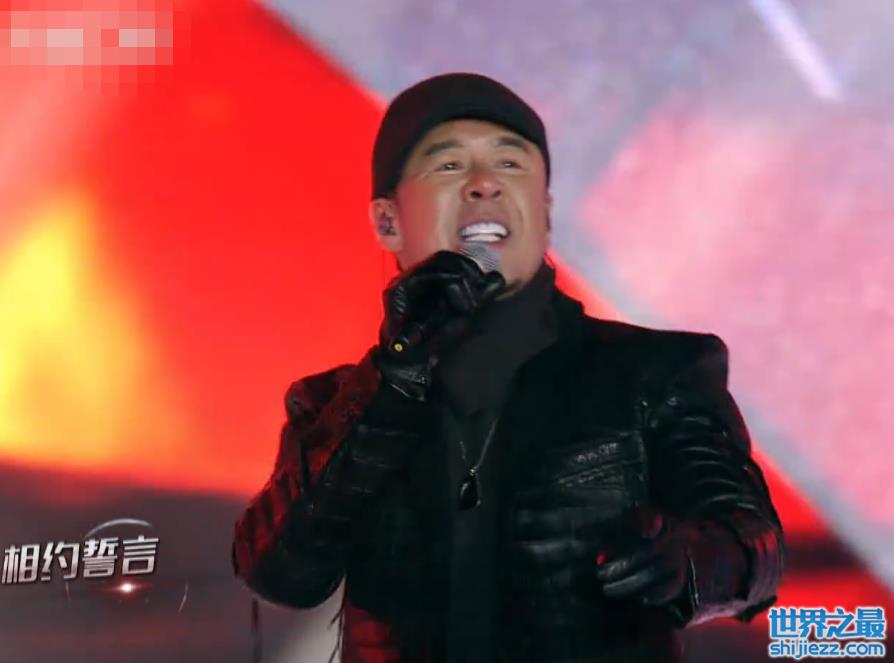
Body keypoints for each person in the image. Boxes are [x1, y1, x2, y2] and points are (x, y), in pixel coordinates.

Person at [231, 72, 784, 663]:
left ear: (544, 212)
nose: (484, 183)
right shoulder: (335, 404)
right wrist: (394, 381)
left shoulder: (654, 372)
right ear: (388, 222)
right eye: (448, 165)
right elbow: (280, 572)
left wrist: (689, 561)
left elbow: (754, 542)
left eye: (510, 163)